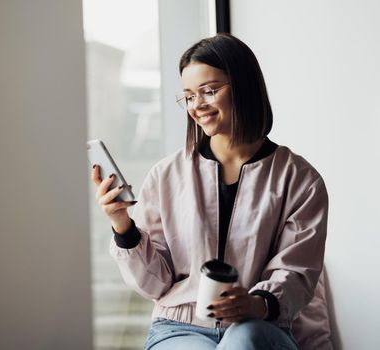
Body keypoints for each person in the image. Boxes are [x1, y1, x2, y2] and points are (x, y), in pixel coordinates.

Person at [91, 33, 330, 350]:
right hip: (179, 328)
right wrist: (123, 226)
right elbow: (155, 283)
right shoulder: (166, 175)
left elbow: (297, 273)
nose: (197, 105)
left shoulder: (299, 179)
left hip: (259, 327)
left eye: (209, 91)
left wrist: (256, 303)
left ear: (243, 86)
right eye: (189, 96)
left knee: (243, 340)